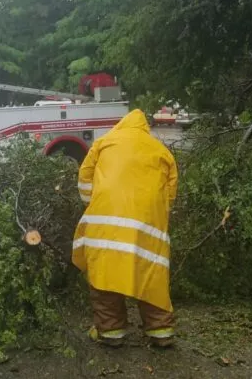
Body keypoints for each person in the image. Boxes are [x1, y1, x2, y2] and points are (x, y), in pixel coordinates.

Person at [72, 109, 178, 348]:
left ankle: (111, 332)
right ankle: (161, 331)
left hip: (105, 227)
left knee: (105, 274)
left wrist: (94, 203)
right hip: (148, 225)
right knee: (151, 274)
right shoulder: (160, 150)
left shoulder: (103, 143)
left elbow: (84, 179)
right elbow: (170, 194)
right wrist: (156, 214)